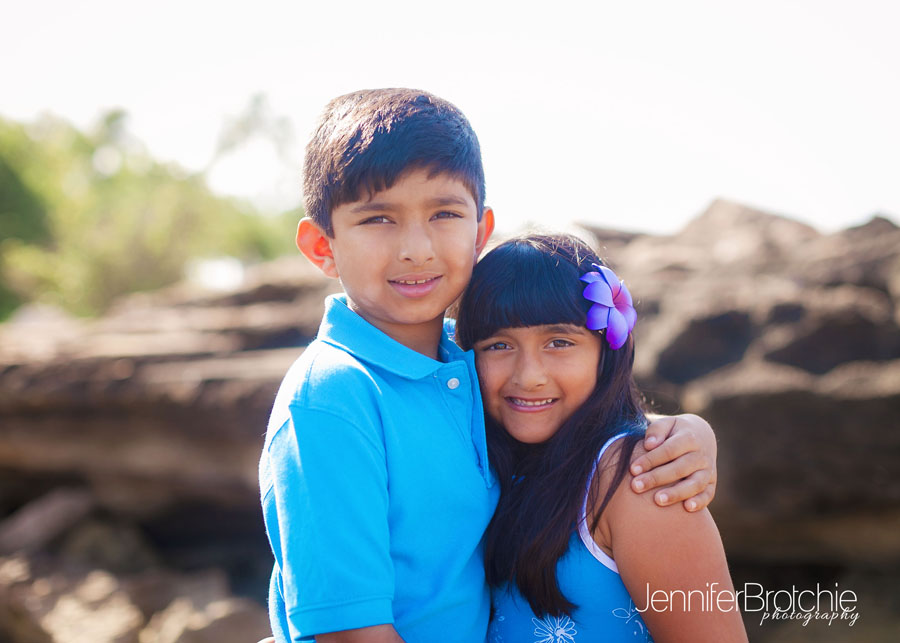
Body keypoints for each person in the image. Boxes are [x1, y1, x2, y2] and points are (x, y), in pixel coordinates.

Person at [258, 88, 721, 643]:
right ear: (321, 245)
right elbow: (352, 634)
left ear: (481, 230)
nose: (415, 248)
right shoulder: (333, 398)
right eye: (378, 218)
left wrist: (688, 434)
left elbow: (575, 410)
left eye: (444, 213)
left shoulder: (470, 361)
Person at [455, 233, 748, 642]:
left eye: (559, 342)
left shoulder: (641, 480)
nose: (528, 375)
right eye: (498, 345)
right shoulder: (487, 457)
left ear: (607, 352)